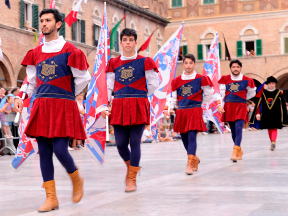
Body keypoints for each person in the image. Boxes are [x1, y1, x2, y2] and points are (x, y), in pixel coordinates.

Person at [14, 9, 90, 212]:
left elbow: (83, 77)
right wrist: (20, 97)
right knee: (45, 153)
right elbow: (30, 81)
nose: (43, 23)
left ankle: (76, 179)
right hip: (42, 105)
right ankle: (51, 198)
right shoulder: (35, 53)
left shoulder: (70, 50)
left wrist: (69, 95)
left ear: (58, 24)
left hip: (62, 105)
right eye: (41, 20)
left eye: (48, 20)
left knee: (60, 150)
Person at [101, 28, 159, 192]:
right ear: (121, 42)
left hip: (138, 104)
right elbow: (109, 85)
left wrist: (139, 95)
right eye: (125, 39)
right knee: (120, 144)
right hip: (119, 105)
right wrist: (106, 102)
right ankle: (131, 167)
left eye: (131, 39)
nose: (128, 42)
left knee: (134, 142)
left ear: (135, 42)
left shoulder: (145, 61)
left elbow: (154, 83)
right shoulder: (113, 63)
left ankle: (132, 179)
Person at [170, 53, 213, 174]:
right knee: (184, 138)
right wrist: (170, 108)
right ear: (183, 64)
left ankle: (189, 164)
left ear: (194, 64)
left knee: (192, 135)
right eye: (186, 63)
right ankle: (194, 158)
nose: (188, 65)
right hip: (182, 111)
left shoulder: (201, 78)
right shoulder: (176, 80)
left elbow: (209, 93)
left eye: (191, 63)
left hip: (195, 110)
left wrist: (200, 103)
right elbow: (173, 97)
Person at [218, 59, 256, 162]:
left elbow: (252, 92)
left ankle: (234, 152)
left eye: (237, 67)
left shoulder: (247, 79)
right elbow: (221, 94)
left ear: (240, 68)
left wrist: (243, 98)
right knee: (233, 131)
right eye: (234, 67)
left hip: (241, 106)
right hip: (229, 107)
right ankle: (239, 149)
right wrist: (220, 105)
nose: (235, 69)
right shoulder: (225, 79)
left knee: (239, 128)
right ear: (230, 68)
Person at [250, 76, 288, 151]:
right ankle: (272, 141)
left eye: (273, 83)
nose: (272, 85)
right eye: (270, 83)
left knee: (274, 127)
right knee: (269, 128)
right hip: (266, 114)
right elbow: (259, 103)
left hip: (276, 113)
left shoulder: (279, 92)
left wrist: (283, 115)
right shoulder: (263, 92)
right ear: (267, 84)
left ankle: (273, 141)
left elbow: (283, 105)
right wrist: (257, 113)